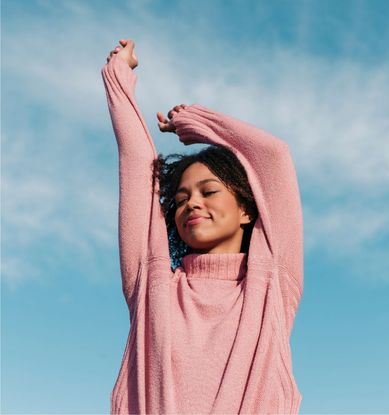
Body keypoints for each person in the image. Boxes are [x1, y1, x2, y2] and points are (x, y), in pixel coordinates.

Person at [102, 38, 304, 414]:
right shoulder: (153, 283)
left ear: (247, 210)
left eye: (209, 191)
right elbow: (136, 162)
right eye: (179, 200)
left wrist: (193, 123)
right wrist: (117, 77)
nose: (191, 203)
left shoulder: (272, 283)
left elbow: (274, 157)